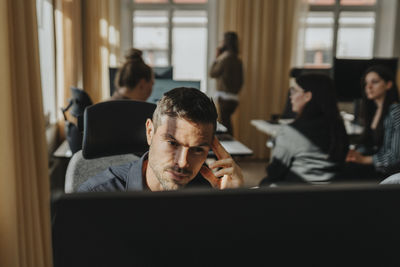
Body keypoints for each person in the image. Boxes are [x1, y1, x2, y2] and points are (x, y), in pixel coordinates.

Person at [78, 87, 244, 192]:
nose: (183, 163)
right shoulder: (96, 195)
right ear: (150, 132)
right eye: (172, 143)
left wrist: (231, 203)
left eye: (197, 149)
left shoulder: (207, 191)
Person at [259, 73, 349, 186]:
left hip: (297, 195)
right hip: (330, 195)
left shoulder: (290, 131)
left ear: (307, 96)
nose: (290, 96)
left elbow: (274, 172)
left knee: (265, 183)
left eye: (294, 91)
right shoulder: (338, 127)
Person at [345, 65, 400, 178]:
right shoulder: (374, 110)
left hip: (388, 171)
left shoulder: (396, 112)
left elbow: (395, 157)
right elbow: (371, 145)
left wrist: (364, 159)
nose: (368, 87)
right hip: (376, 166)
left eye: (374, 82)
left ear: (388, 85)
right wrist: (355, 154)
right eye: (366, 83)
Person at [209, 31, 244, 135]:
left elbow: (212, 73)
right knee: (227, 124)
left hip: (224, 97)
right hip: (234, 98)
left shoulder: (225, 59)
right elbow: (241, 81)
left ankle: (227, 149)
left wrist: (216, 58)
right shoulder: (237, 60)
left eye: (222, 40)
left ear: (226, 42)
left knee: (224, 127)